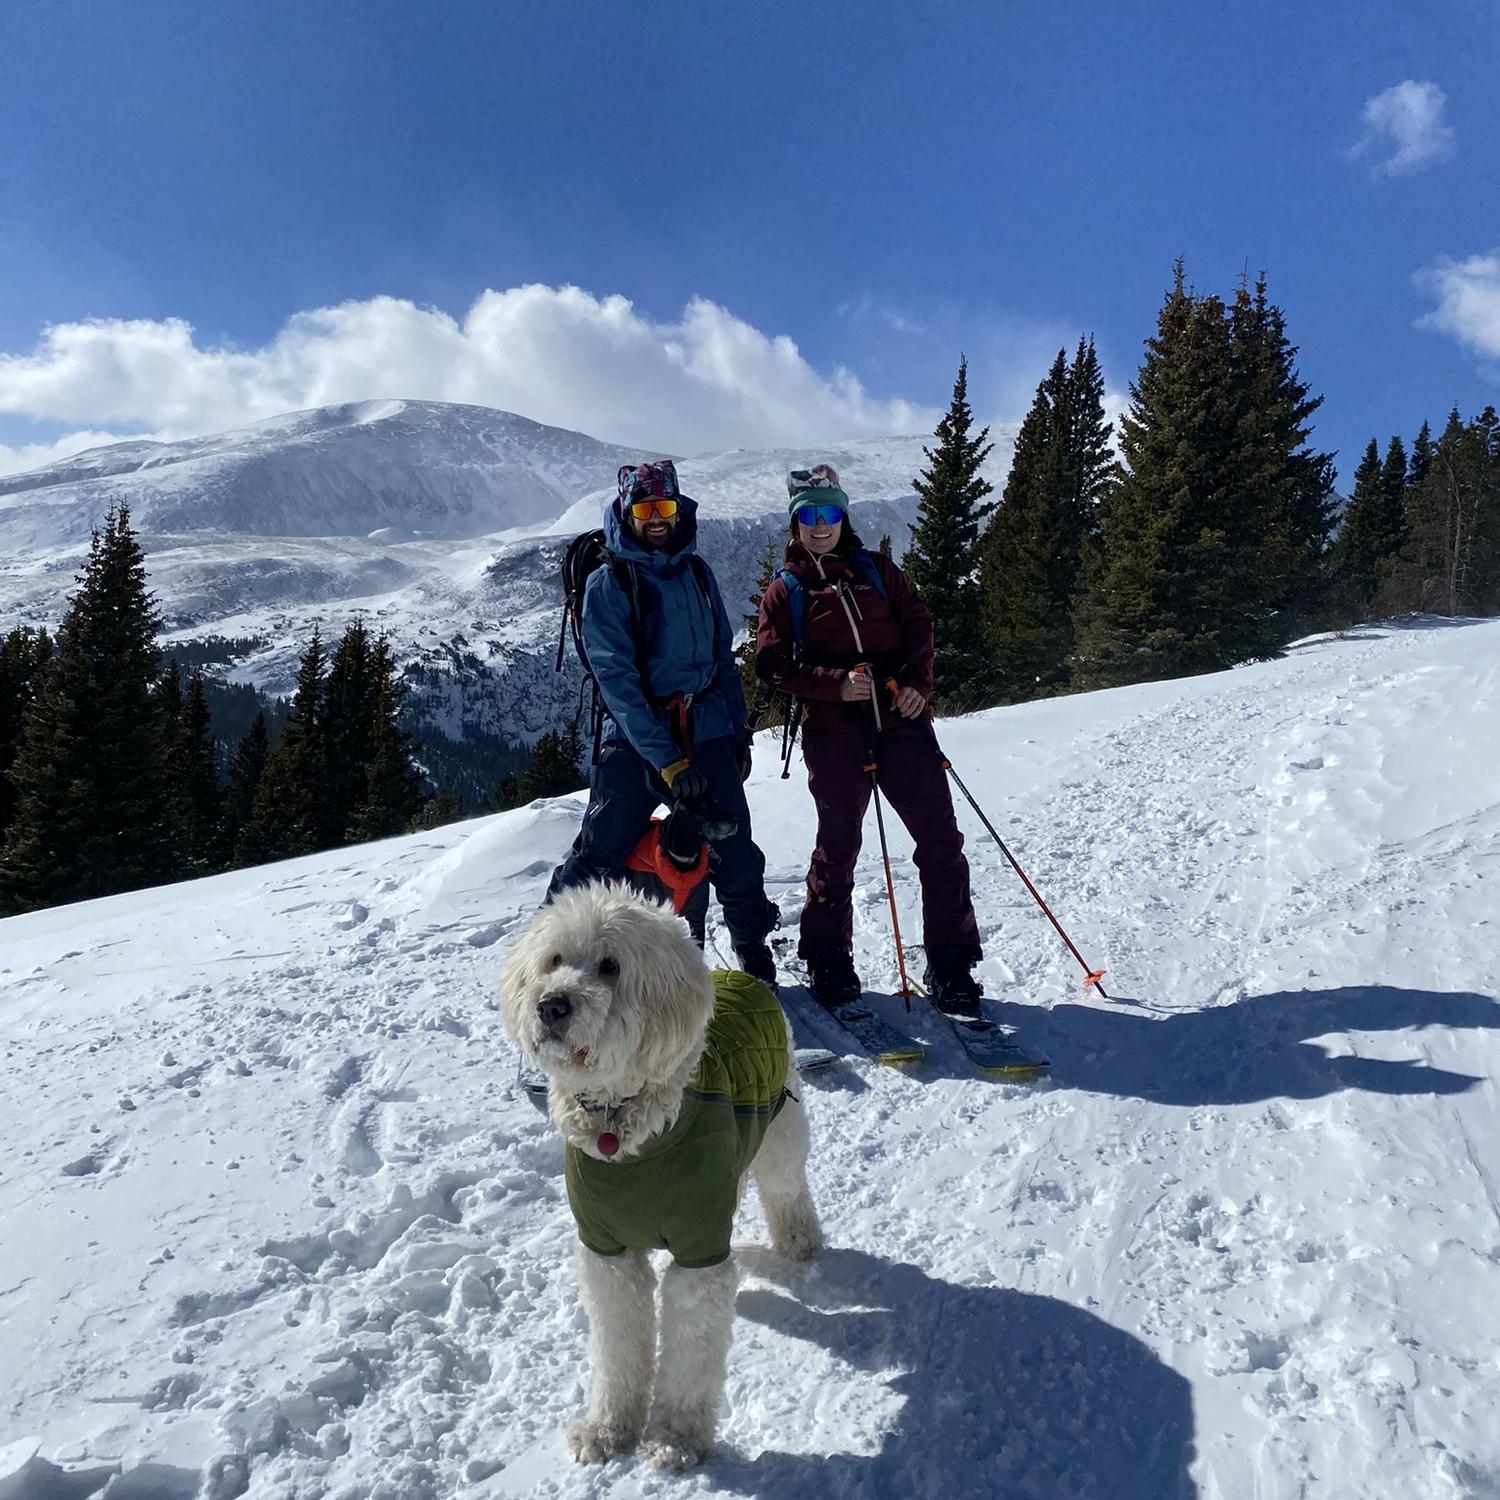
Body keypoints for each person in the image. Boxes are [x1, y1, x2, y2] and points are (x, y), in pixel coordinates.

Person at [754, 463, 984, 1014]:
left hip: (901, 719)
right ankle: (828, 956)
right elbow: (771, 663)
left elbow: (919, 623)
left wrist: (918, 685)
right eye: (808, 515)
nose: (820, 525)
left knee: (941, 842)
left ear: (843, 516)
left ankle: (950, 960)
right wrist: (834, 685)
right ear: (795, 523)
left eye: (829, 513)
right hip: (834, 730)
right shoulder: (786, 590)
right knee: (838, 847)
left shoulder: (877, 571)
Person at [547, 459, 778, 984]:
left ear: (678, 508)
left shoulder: (697, 573)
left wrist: (736, 734)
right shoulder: (609, 583)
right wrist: (667, 761)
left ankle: (752, 948)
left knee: (735, 850)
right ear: (627, 512)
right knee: (601, 852)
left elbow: (721, 660)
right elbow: (618, 683)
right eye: (645, 509)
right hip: (636, 740)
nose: (656, 519)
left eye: (665, 507)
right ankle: (552, 951)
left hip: (707, 731)